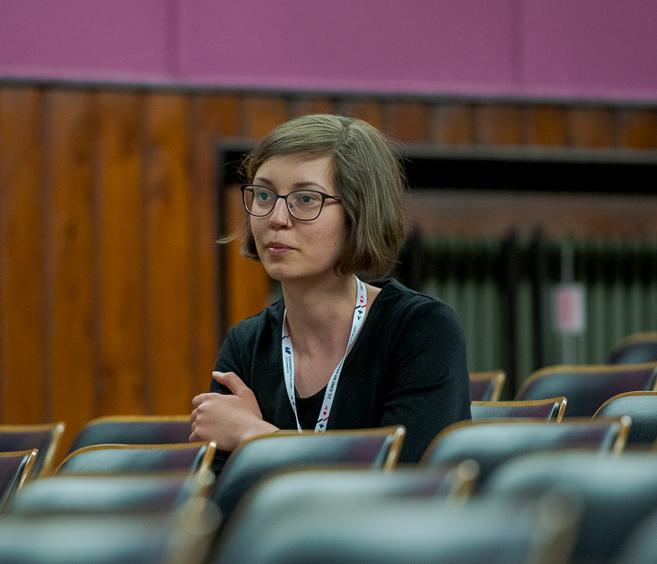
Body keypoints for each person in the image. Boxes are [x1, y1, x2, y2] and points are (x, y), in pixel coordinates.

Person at [190, 114, 470, 470]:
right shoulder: (246, 345)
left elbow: (400, 479)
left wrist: (255, 436)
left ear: (358, 211)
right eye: (264, 195)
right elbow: (220, 494)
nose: (277, 217)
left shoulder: (421, 329)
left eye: (306, 198)